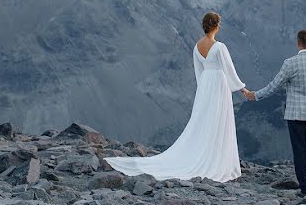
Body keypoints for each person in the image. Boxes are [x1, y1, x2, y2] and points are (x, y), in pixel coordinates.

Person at [105, 11, 252, 182]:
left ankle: (203, 154)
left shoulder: (197, 46)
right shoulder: (220, 47)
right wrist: (242, 89)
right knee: (218, 121)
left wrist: (203, 88)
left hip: (205, 84)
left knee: (204, 121)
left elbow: (199, 71)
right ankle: (216, 159)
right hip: (219, 83)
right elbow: (229, 70)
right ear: (216, 26)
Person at [244, 29, 306, 196]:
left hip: (296, 114)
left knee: (299, 152)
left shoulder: (290, 63)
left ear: (298, 43)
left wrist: (255, 95)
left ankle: (305, 189)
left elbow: (274, 86)